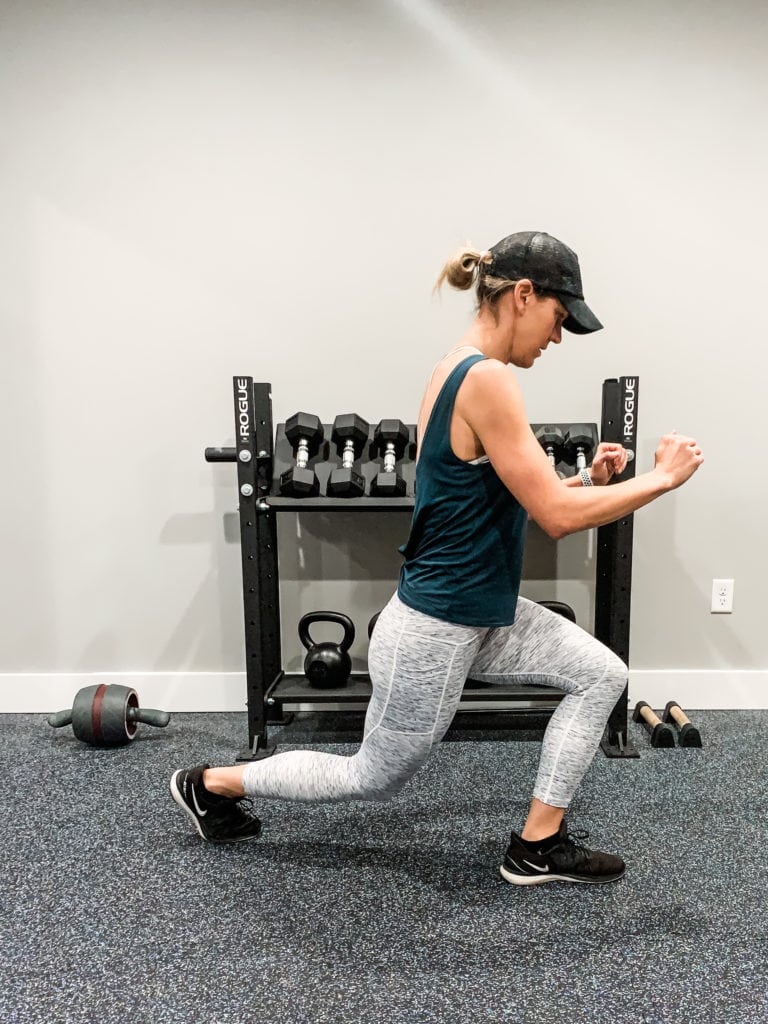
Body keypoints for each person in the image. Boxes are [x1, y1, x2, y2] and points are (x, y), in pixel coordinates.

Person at [170, 230, 703, 885]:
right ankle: (212, 783)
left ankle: (537, 845)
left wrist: (591, 479)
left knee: (600, 676)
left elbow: (512, 499)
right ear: (524, 296)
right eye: (559, 320)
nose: (558, 338)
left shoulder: (461, 370)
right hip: (435, 627)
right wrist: (662, 480)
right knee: (371, 776)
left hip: (483, 612)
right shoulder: (485, 381)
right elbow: (556, 522)